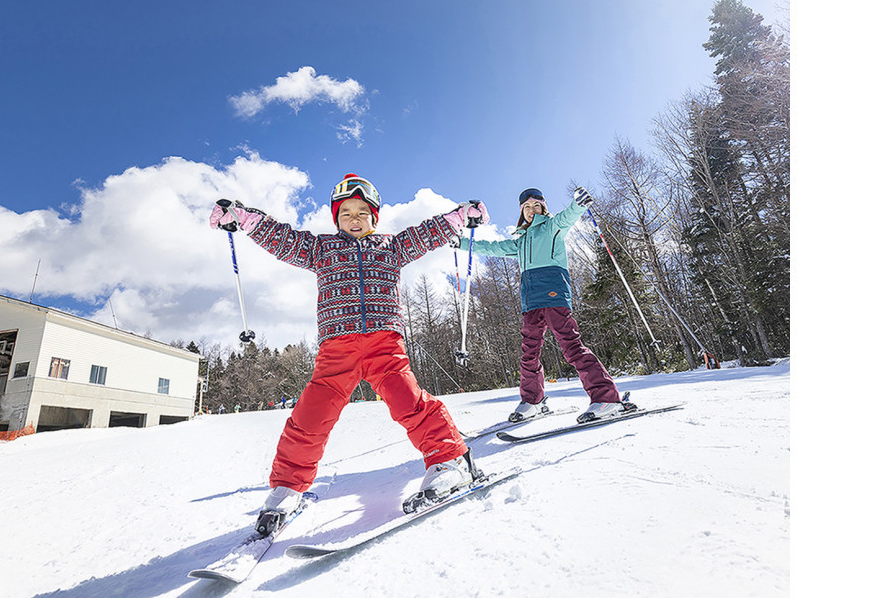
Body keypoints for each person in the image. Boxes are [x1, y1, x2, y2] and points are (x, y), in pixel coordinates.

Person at [209, 173, 489, 532]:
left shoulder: (392, 246)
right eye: (345, 214)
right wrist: (245, 219)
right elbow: (283, 239)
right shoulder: (321, 249)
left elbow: (427, 232)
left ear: (374, 216)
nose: (354, 219)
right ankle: (287, 487)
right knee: (310, 417)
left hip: (384, 343)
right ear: (336, 219)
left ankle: (450, 461)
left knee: (409, 401)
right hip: (336, 348)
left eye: (361, 212)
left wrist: (460, 215)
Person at [459, 186, 628, 424]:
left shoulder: (551, 227)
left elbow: (567, 216)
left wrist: (578, 204)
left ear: (543, 207)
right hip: (530, 300)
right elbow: (493, 247)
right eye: (526, 207)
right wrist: (462, 243)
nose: (531, 210)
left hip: (553, 293)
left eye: (535, 205)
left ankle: (606, 398)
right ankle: (532, 401)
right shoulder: (521, 241)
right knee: (529, 353)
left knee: (571, 346)